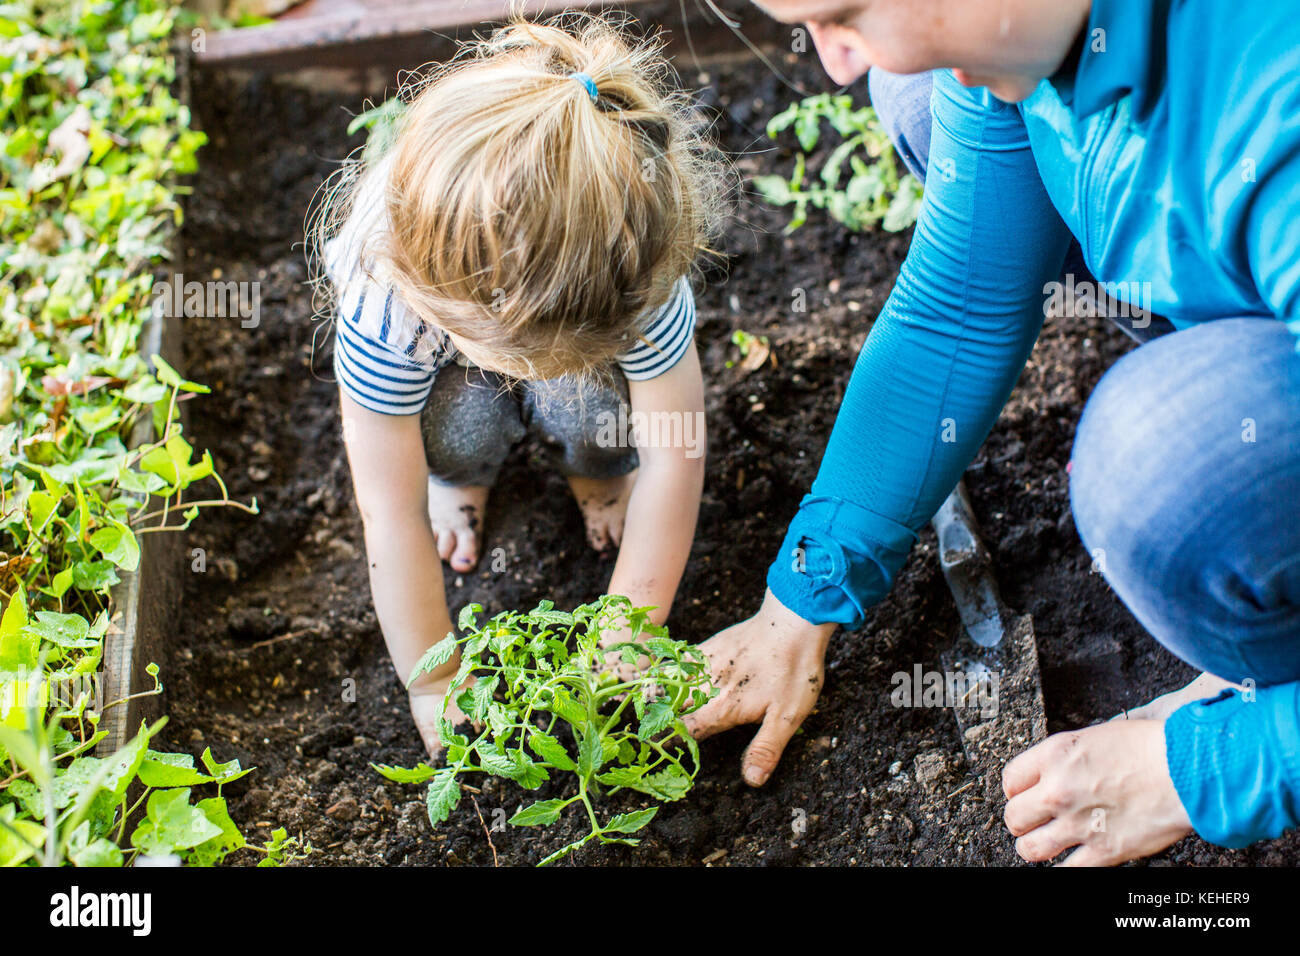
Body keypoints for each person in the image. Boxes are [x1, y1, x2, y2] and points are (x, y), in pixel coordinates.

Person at [686, 0, 1300, 865]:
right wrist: (803, 594)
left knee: (1163, 466)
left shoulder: (1277, 106)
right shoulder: (1022, 27)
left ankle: (1265, 667)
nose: (834, 65)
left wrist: (1226, 762)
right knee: (916, 91)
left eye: (844, 14)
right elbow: (959, 305)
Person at [313, 14, 723, 756]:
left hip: (551, 323)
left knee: (595, 411)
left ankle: (597, 477)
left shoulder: (638, 269)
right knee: (458, 421)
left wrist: (627, 635)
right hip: (444, 355)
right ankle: (463, 479)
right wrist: (434, 681)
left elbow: (675, 454)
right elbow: (387, 509)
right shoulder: (388, 304)